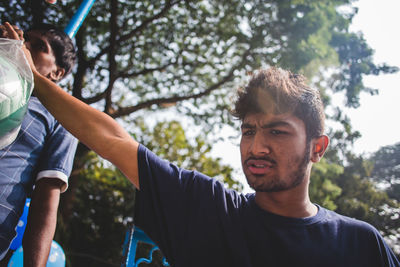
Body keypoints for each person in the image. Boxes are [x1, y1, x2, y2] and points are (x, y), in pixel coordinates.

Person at [3, 23, 399, 267]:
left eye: (277, 131)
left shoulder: (361, 243)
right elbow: (111, 138)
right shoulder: (208, 207)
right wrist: (33, 78)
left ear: (318, 147)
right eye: (248, 130)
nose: (257, 146)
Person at [0, 23, 77, 266]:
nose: (25, 46)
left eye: (38, 46)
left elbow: (46, 200)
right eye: (26, 40)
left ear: (57, 73)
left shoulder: (60, 117)